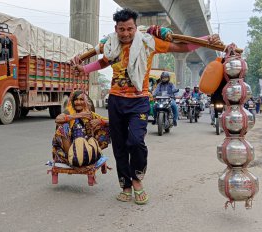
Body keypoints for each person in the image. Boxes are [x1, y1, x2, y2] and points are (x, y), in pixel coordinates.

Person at [72, 8, 221, 205]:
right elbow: (103, 63)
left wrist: (205, 39)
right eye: (121, 29)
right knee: (119, 146)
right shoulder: (111, 44)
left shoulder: (149, 41)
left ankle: (136, 180)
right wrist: (84, 69)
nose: (126, 34)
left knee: (135, 141)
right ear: (116, 29)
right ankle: (125, 185)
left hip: (139, 100)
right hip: (116, 100)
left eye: (130, 29)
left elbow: (181, 48)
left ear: (136, 27)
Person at [52, 90, 110, 170]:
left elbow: (112, 121)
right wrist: (78, 115)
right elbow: (58, 119)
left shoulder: (90, 114)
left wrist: (100, 121)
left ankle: (94, 155)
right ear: (72, 101)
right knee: (63, 127)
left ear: (85, 101)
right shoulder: (69, 111)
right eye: (76, 99)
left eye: (81, 99)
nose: (78, 102)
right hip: (70, 147)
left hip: (86, 148)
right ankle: (70, 160)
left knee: (105, 126)